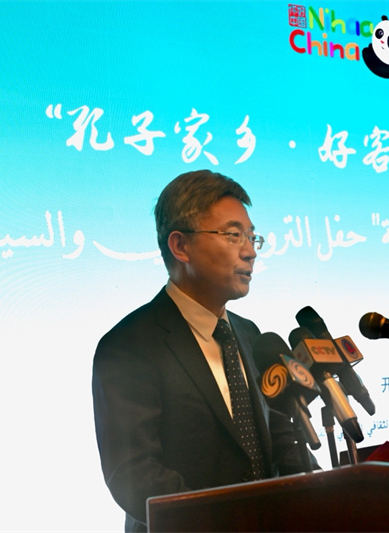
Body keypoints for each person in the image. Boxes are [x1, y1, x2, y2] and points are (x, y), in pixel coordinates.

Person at [92, 170, 313, 532]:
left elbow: (278, 435)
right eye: (233, 235)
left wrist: (321, 494)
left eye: (252, 236)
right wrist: (231, 523)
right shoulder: (128, 346)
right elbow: (134, 475)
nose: (250, 251)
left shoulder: (249, 334)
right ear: (181, 246)